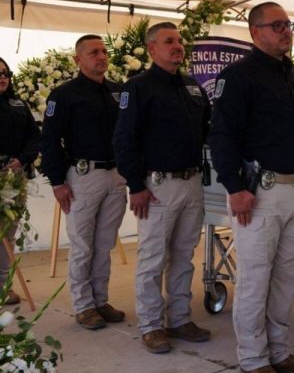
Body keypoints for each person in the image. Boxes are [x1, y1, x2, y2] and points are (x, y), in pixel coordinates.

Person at [208, 1, 294, 373]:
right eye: (277, 25)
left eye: (288, 24)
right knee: (255, 279)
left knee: (287, 277)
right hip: (261, 193)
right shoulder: (238, 76)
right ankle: (254, 360)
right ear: (256, 33)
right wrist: (234, 187)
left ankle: (280, 352)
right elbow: (223, 135)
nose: (286, 31)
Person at [113, 22, 211, 354]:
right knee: (153, 258)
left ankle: (179, 318)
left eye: (179, 41)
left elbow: (209, 129)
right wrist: (135, 185)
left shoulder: (192, 86)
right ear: (152, 49)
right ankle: (152, 325)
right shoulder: (138, 87)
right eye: (169, 41)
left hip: (192, 181)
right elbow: (124, 139)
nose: (177, 46)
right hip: (157, 187)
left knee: (184, 256)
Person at [39, 36, 126, 329]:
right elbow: (49, 140)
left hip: (115, 176)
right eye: (93, 53)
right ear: (78, 59)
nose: (101, 56)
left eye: (104, 51)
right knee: (82, 246)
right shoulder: (63, 95)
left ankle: (100, 300)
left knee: (104, 244)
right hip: (83, 177)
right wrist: (57, 181)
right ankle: (84, 306)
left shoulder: (118, 92)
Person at [0, 56, 39, 306]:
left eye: (5, 72)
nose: (2, 76)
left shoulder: (18, 104)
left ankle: (4, 286)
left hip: (13, 176)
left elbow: (34, 137)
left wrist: (22, 159)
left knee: (7, 232)